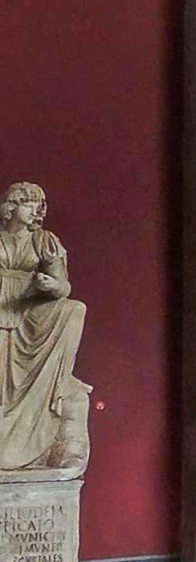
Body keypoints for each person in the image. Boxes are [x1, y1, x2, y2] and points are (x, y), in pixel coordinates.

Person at [0, 182, 92, 472]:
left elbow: (63, 286)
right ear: (11, 206)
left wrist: (51, 286)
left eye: (39, 206)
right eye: (29, 204)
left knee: (74, 309)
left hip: (30, 308)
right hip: (2, 306)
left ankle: (54, 384)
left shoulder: (45, 240)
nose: (35, 211)